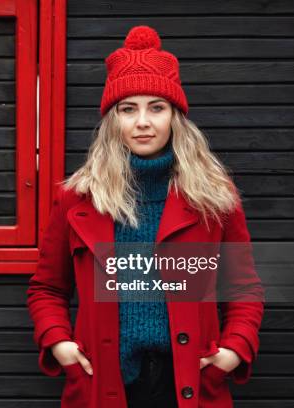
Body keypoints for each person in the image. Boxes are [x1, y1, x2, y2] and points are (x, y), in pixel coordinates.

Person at [26, 25, 264, 408]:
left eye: (156, 107)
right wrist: (59, 342)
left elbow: (244, 291)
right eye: (128, 109)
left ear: (175, 117)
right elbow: (47, 289)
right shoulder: (77, 198)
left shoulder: (215, 199)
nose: (142, 122)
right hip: (105, 384)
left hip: (190, 383)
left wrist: (234, 350)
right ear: (112, 120)